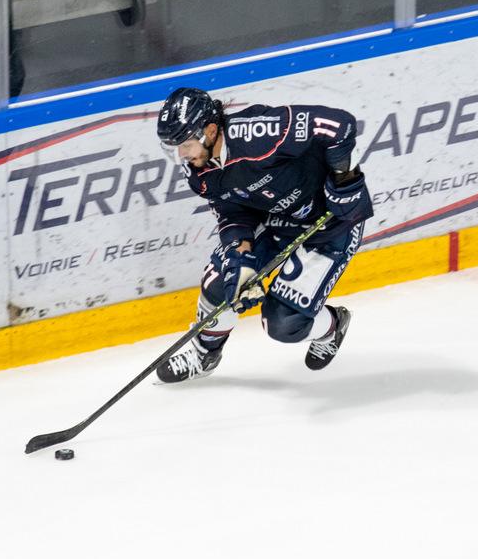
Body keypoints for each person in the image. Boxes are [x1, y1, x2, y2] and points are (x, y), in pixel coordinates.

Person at [154, 87, 373, 382]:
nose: (182, 155)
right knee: (222, 282)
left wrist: (344, 181)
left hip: (331, 223)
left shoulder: (258, 133)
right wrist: (240, 256)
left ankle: (332, 327)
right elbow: (231, 211)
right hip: (276, 220)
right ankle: (205, 355)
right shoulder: (198, 172)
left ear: (210, 130)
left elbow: (339, 125)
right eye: (175, 148)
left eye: (185, 144)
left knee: (283, 324)